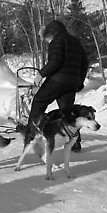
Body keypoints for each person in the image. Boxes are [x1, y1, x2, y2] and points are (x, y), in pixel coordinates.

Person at [29, 20, 89, 151]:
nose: (47, 41)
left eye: (47, 38)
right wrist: (80, 80)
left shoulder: (57, 41)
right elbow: (85, 63)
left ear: (51, 33)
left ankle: (31, 134)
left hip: (57, 80)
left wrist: (41, 74)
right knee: (68, 111)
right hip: (72, 82)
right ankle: (75, 142)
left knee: (39, 102)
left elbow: (55, 62)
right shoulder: (75, 42)